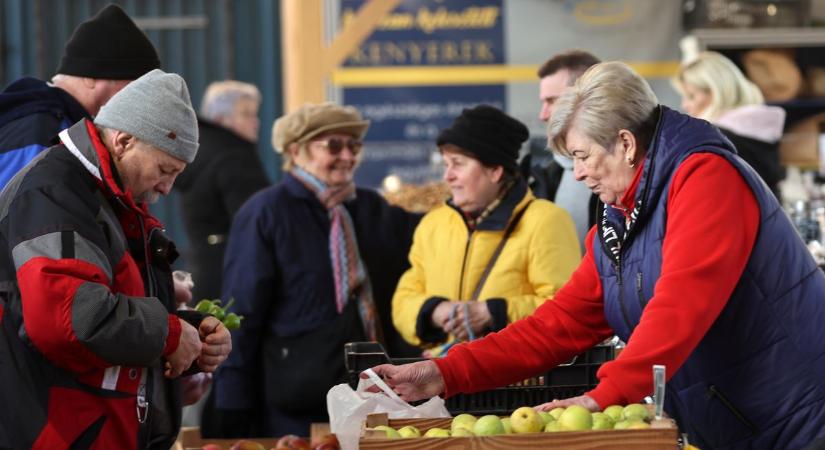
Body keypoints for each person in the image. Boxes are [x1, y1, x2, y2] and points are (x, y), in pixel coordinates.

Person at [368, 62, 825, 450]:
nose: (579, 173)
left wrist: (602, 397)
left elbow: (681, 304)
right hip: (734, 422)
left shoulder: (707, 178)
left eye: (583, 156)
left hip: (796, 420)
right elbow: (556, 325)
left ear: (626, 144)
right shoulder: (617, 219)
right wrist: (445, 373)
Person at [0, 69, 232, 449]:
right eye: (164, 170)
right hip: (51, 429)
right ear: (124, 141)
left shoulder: (112, 200)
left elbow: (113, 297)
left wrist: (191, 331)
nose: (166, 187)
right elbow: (65, 319)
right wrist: (170, 334)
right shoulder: (54, 194)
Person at [210, 102, 422, 438]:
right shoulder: (267, 212)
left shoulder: (370, 207)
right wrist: (231, 399)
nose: (348, 156)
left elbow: (426, 242)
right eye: (334, 145)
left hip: (373, 395)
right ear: (296, 150)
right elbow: (242, 313)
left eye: (354, 146)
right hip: (296, 403)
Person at [392, 105, 580, 354]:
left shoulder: (546, 220)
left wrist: (493, 313)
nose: (448, 176)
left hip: (520, 386)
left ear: (494, 171)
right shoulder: (432, 225)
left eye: (458, 164)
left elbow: (567, 311)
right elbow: (403, 300)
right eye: (446, 164)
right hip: (448, 379)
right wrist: (435, 311)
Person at [0, 3, 160, 189]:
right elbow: (21, 212)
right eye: (134, 86)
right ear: (91, 77)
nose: (139, 99)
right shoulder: (42, 133)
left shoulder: (58, 125)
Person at [175, 80, 270, 302]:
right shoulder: (235, 156)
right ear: (220, 119)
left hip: (203, 271)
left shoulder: (196, 152)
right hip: (236, 275)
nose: (255, 122)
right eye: (246, 114)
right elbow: (258, 222)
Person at [675, 51, 785, 199]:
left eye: (691, 96)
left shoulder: (713, 141)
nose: (685, 105)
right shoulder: (760, 132)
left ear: (716, 93)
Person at [527, 49, 601, 252]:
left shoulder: (629, 175)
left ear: (586, 97)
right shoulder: (543, 178)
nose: (543, 115)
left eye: (552, 101)